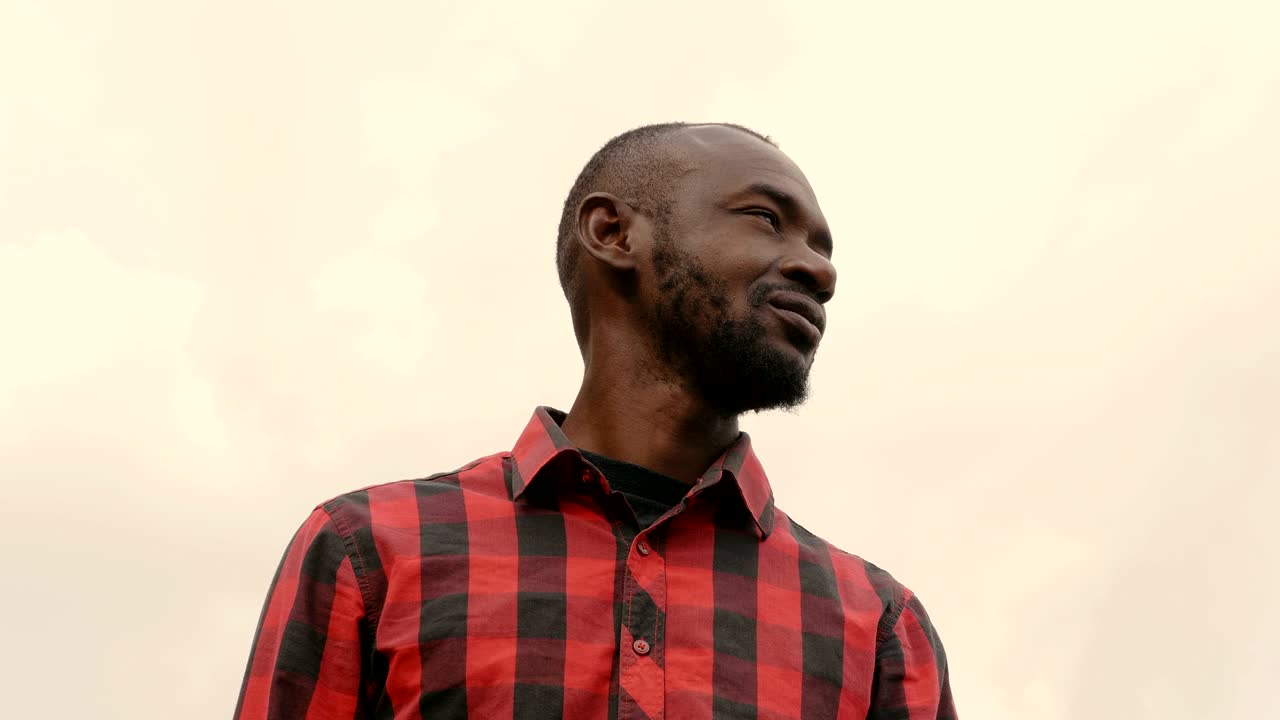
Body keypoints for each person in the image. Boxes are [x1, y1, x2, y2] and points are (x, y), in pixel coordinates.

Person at [234, 122, 957, 719]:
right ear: (613, 232)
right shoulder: (371, 553)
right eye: (767, 220)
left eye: (823, 251)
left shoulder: (878, 626)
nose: (819, 273)